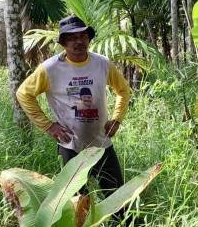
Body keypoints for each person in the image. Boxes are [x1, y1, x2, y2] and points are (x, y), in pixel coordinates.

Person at [16, 15, 131, 196]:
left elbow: (123, 90)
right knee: (76, 198)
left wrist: (116, 119)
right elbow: (23, 94)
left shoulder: (102, 64)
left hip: (102, 141)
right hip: (70, 144)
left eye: (83, 36)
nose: (79, 41)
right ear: (63, 42)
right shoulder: (50, 68)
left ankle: (125, 224)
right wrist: (48, 125)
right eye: (72, 38)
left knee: (117, 194)